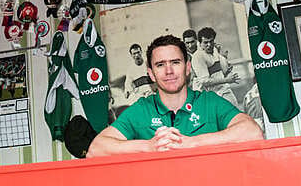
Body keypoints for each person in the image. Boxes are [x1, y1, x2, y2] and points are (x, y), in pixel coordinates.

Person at [87, 35, 262, 157]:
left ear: (187, 68)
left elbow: (252, 132)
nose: (169, 71)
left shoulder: (209, 102)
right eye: (160, 64)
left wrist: (191, 143)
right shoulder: (141, 109)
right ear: (151, 74)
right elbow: (96, 149)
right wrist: (150, 146)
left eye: (175, 62)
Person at [190, 27, 240, 105]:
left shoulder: (215, 50)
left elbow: (221, 71)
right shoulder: (198, 57)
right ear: (200, 43)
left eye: (211, 41)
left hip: (223, 90)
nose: (209, 45)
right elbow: (205, 81)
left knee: (236, 113)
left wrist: (226, 67)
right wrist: (227, 80)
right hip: (208, 96)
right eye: (205, 42)